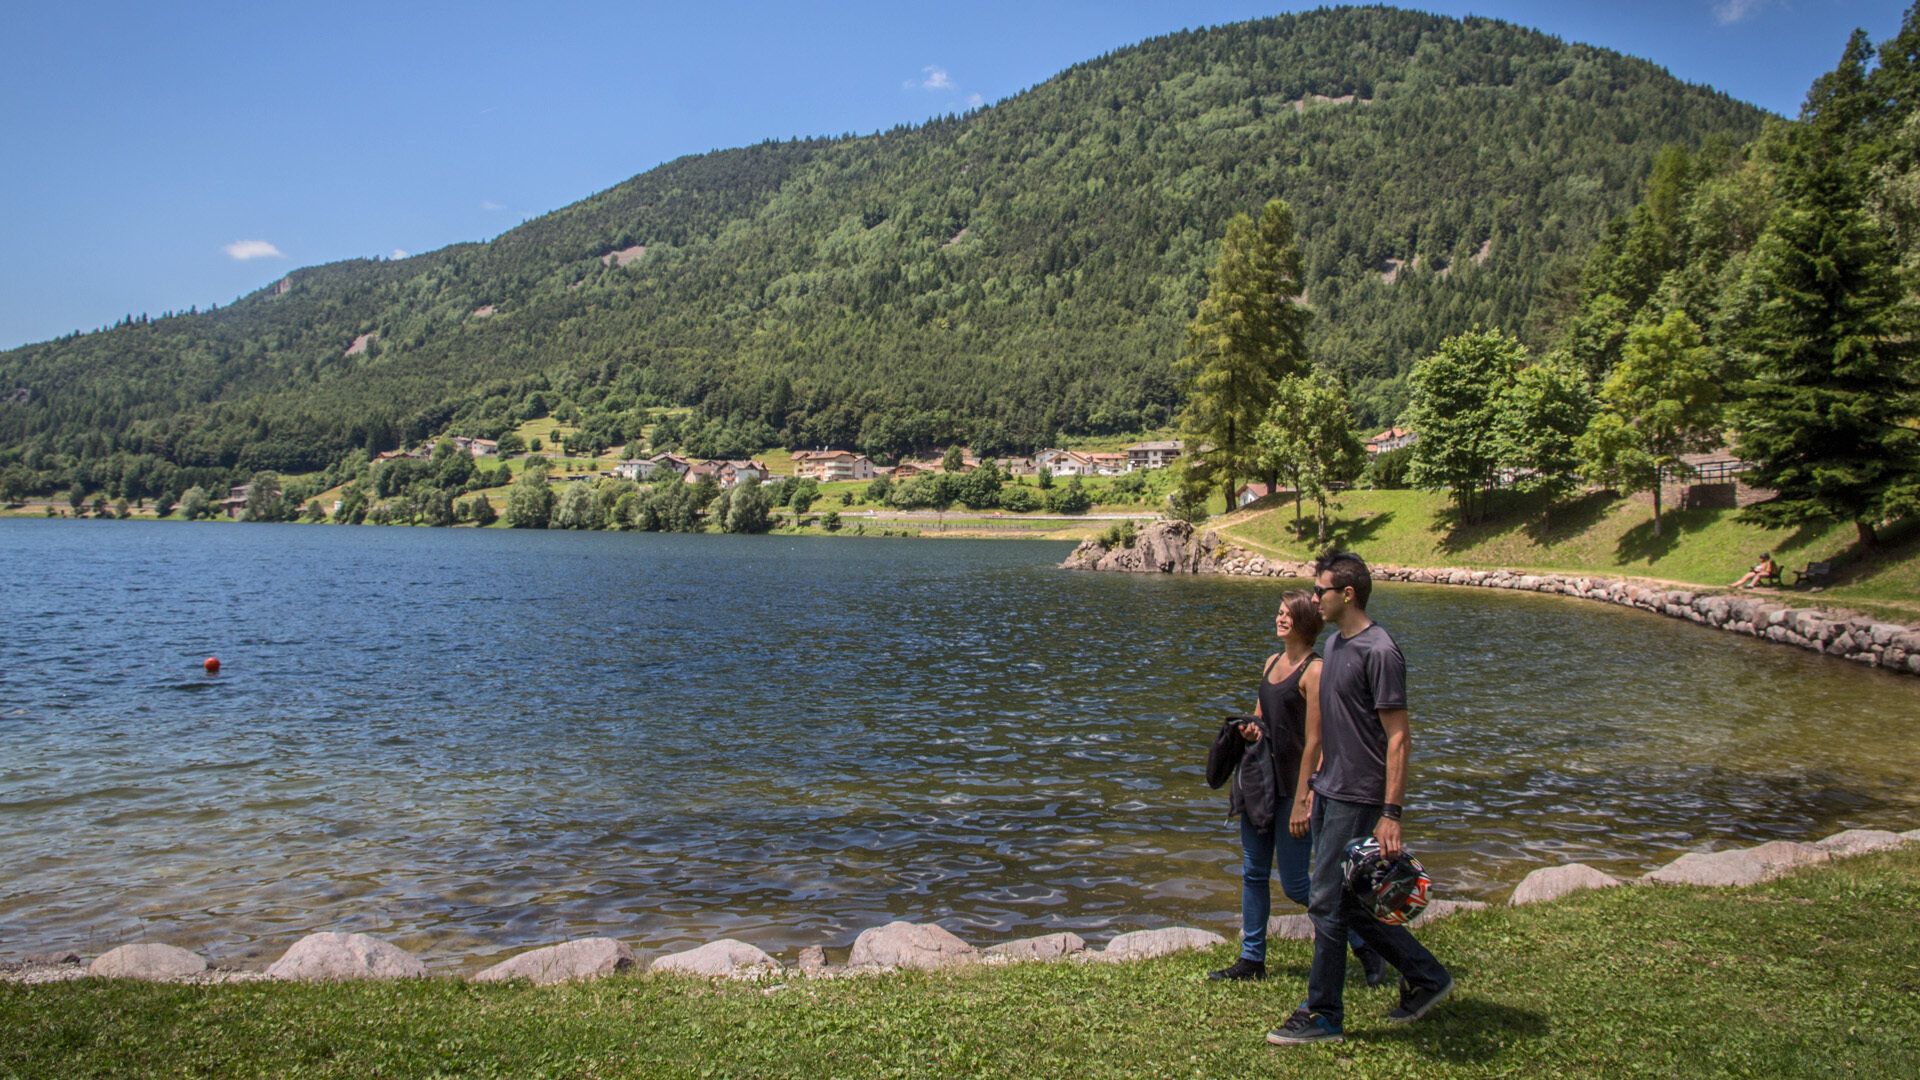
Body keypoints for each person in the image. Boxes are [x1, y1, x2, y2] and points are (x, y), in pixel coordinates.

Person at [1267, 552, 1453, 1046]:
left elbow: (1399, 738)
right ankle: (1428, 975)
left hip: (1360, 796)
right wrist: (1312, 786)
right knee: (1348, 904)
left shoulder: (1380, 651)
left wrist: (1391, 814)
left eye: (1320, 590)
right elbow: (1333, 728)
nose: (1313, 599)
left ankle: (1324, 1013)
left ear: (1347, 594)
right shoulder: (1335, 645)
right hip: (1330, 789)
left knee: (1326, 901)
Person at [1208, 590, 1386, 985]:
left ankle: (1366, 942)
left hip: (1295, 791)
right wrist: (1250, 732)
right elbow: (1261, 717)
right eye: (1278, 613)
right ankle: (1251, 959)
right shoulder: (1271, 662)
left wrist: (1306, 798)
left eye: (1287, 614)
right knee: (1253, 873)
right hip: (1260, 785)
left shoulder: (1315, 670)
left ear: (1305, 620)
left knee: (1298, 884)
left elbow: (1318, 740)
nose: (1280, 619)